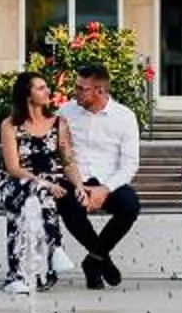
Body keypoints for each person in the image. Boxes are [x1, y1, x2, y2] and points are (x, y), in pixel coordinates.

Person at [54, 60, 142, 289]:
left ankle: (93, 260)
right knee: (67, 204)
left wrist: (105, 189)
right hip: (76, 179)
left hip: (108, 181)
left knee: (130, 205)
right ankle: (102, 260)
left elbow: (130, 164)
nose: (76, 93)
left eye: (82, 88)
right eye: (76, 87)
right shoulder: (66, 112)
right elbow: (61, 153)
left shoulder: (124, 117)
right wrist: (80, 187)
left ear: (100, 90)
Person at [0, 69, 74, 296]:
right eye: (40, 87)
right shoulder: (10, 125)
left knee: (32, 199)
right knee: (31, 191)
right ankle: (55, 249)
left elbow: (68, 161)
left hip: (43, 190)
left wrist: (79, 187)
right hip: (11, 184)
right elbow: (13, 168)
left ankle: (16, 276)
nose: (47, 91)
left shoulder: (60, 123)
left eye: (46, 86)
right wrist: (44, 184)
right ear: (27, 95)